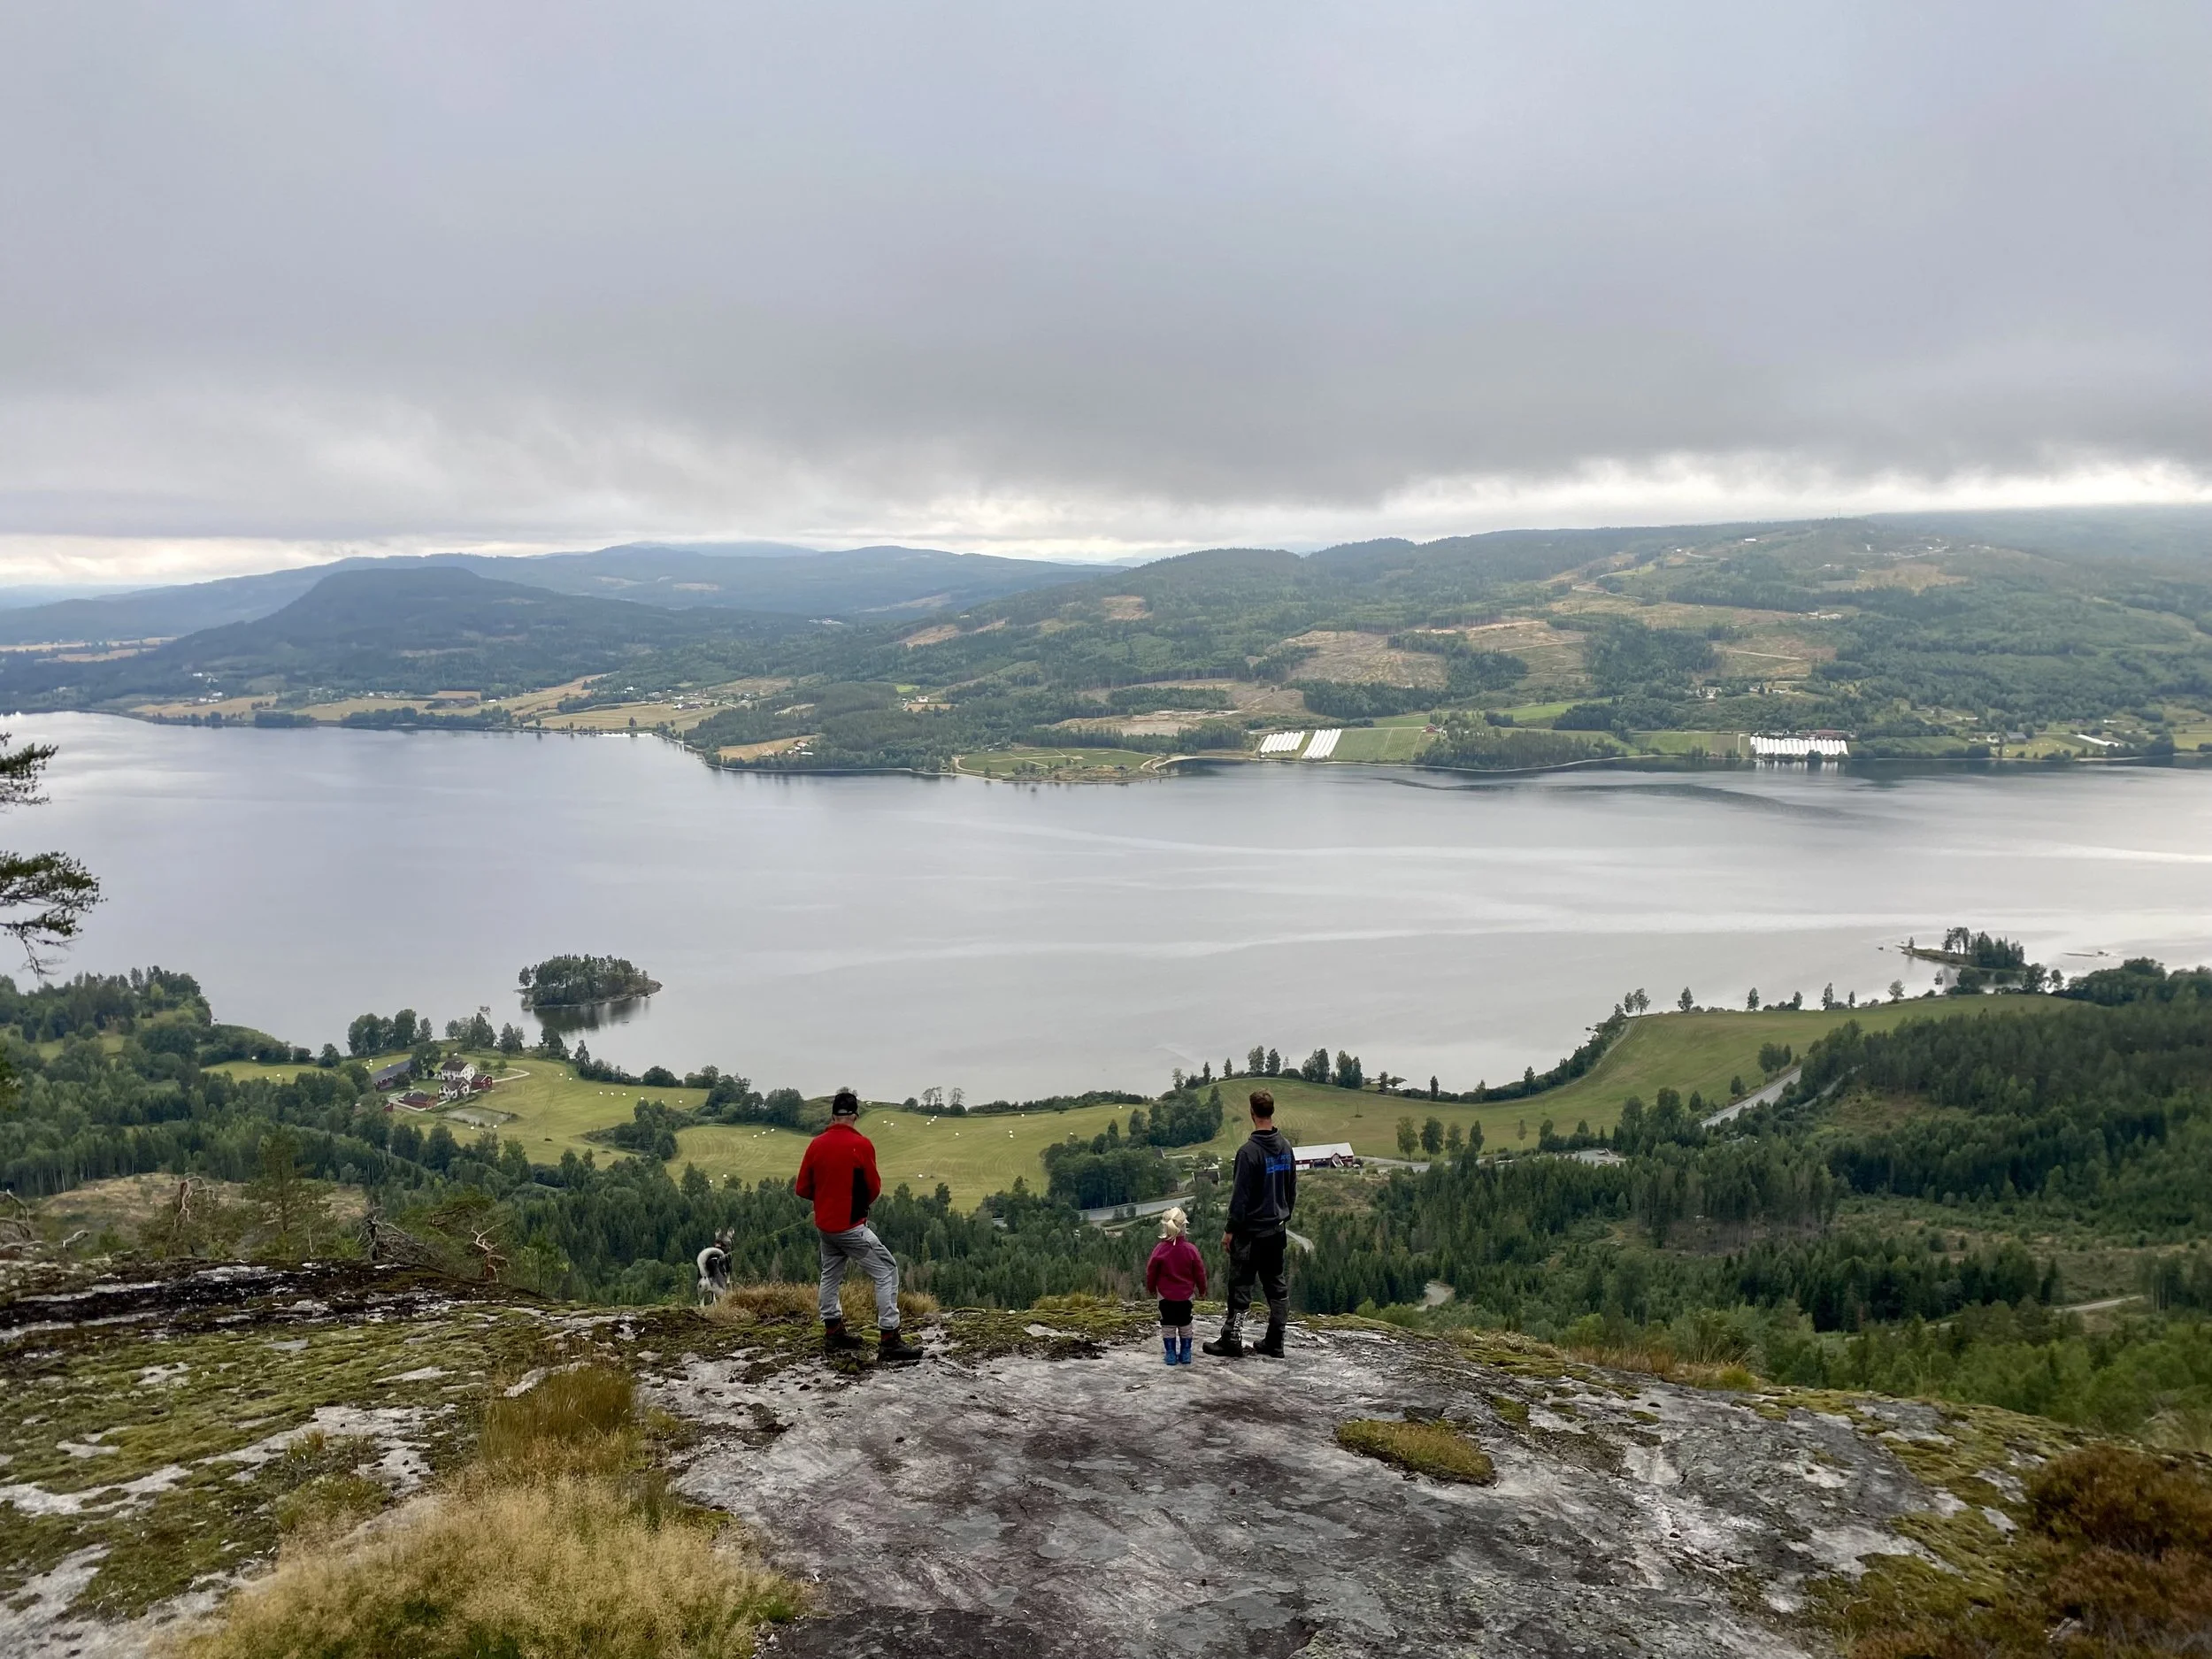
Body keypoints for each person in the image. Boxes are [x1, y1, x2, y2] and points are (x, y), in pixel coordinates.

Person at [795, 1089, 923, 1365]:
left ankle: (833, 1331)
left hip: (825, 1227)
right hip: (851, 1227)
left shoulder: (816, 1144)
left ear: (833, 1115)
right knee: (887, 1271)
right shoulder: (861, 1145)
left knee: (830, 1274)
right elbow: (873, 1188)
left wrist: (827, 1198)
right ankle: (890, 1339)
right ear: (855, 1115)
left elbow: (802, 1188)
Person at [1202, 1088, 1296, 1360]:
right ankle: (1276, 1341)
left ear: (1252, 1113)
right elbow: (1291, 1190)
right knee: (1276, 1287)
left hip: (1250, 1234)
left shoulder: (1248, 1152)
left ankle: (1232, 1340)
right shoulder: (1286, 1147)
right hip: (1276, 1231)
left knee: (1241, 1287)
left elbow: (1240, 1198)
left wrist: (1230, 1230)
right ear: (1272, 1112)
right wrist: (1283, 1215)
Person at [1144, 1206, 1207, 1366]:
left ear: (1165, 1227)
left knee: (1168, 1324)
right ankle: (1186, 1353)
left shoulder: (1160, 1249)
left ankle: (1171, 1354)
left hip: (1165, 1296)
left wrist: (1151, 1288)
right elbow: (1200, 1272)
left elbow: (1151, 1272)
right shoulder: (1191, 1250)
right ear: (1184, 1227)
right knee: (1185, 1323)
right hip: (1186, 1296)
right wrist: (1202, 1290)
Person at [695, 1228, 732, 1307]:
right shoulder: (724, 1256)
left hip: (705, 1277)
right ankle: (716, 1301)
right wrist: (727, 1279)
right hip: (714, 1277)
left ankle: (707, 1302)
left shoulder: (711, 1254)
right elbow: (728, 1267)